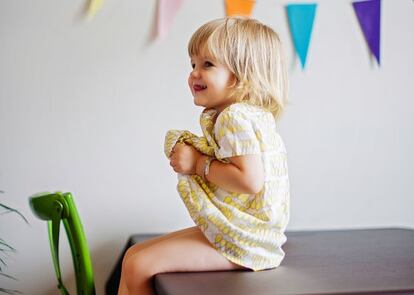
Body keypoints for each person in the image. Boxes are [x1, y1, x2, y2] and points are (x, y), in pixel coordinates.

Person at [118, 16, 290, 295]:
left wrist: (198, 163)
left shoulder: (233, 117)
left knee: (139, 265)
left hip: (248, 241)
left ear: (239, 76)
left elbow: (250, 180)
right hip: (251, 234)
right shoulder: (250, 115)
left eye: (207, 64)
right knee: (133, 255)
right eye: (193, 64)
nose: (194, 73)